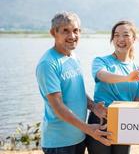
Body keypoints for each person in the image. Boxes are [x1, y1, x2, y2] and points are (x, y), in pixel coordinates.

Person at [36, 12, 112, 154]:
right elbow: (58, 107)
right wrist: (89, 129)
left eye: (75, 30)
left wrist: (93, 107)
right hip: (59, 143)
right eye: (66, 31)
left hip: (78, 137)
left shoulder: (72, 56)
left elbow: (76, 91)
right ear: (54, 33)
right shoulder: (48, 63)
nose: (72, 36)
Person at [86, 20, 139, 154]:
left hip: (125, 122)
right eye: (116, 35)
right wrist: (127, 78)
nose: (120, 39)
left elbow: (136, 102)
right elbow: (102, 75)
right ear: (112, 39)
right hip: (101, 120)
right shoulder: (101, 61)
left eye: (125, 35)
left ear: (134, 39)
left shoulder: (137, 70)